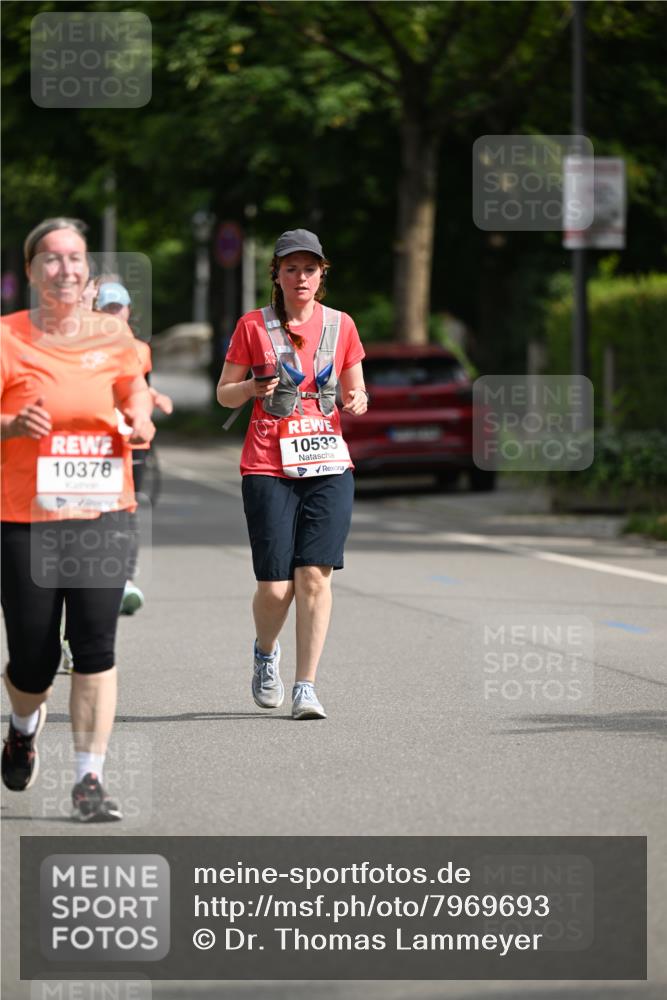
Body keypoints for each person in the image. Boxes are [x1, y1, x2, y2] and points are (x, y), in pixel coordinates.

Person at [1, 217, 155, 820]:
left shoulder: (113, 335)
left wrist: (139, 416)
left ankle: (89, 780)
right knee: (33, 662)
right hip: (25, 517)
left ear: (86, 269)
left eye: (74, 258)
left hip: (103, 511)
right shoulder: (8, 337)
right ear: (32, 270)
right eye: (51, 258)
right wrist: (12, 425)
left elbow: (133, 388)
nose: (64, 268)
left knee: (95, 646)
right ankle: (22, 725)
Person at [217, 228, 368, 720]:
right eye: (291, 269)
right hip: (267, 464)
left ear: (322, 275)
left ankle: (306, 686)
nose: (301, 277)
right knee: (276, 587)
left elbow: (356, 390)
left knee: (315, 578)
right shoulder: (253, 326)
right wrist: (251, 389)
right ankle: (266, 653)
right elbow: (224, 393)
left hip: (328, 463)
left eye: (309, 269)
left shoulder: (341, 325)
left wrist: (357, 400)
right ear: (277, 276)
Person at [95, 279, 173, 614]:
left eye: (118, 307)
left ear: (128, 310)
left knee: (129, 506)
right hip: (98, 439)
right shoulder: (83, 348)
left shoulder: (141, 350)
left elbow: (138, 389)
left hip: (133, 439)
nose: (114, 314)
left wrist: (152, 400)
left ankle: (124, 578)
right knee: (95, 506)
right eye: (107, 308)